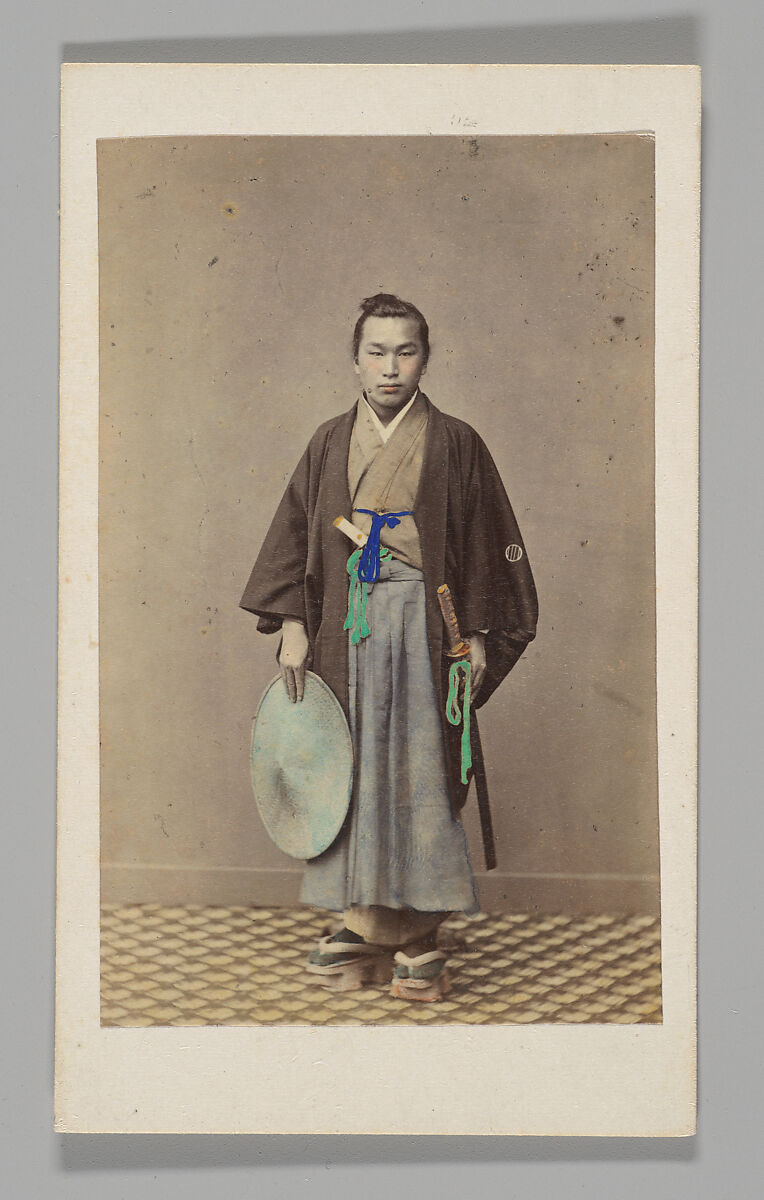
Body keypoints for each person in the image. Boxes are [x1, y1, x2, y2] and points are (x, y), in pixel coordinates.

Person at [240, 293, 538, 1001]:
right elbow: (294, 535)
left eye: (405, 350)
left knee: (421, 770)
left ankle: (420, 931)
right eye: (376, 351)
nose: (390, 367)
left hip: (428, 626)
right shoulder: (327, 442)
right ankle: (362, 920)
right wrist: (292, 624)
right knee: (350, 769)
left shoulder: (455, 442)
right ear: (354, 360)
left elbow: (492, 546)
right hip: (348, 621)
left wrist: (485, 639)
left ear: (425, 358)